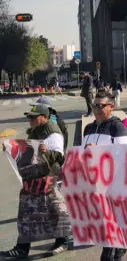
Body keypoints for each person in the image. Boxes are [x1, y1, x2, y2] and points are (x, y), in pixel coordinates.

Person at [0, 105, 72, 259]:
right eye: (29, 117)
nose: (30, 120)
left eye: (33, 117)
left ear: (44, 117)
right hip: (34, 178)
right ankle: (22, 247)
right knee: (27, 211)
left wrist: (47, 152)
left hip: (48, 179)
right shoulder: (36, 130)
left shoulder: (53, 133)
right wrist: (12, 148)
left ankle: (63, 240)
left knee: (56, 211)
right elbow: (29, 151)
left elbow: (59, 156)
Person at [81, 92, 127, 261]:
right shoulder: (88, 128)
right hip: (94, 184)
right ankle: (119, 248)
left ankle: (113, 253)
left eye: (101, 105)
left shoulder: (117, 127)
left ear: (111, 106)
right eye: (95, 105)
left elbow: (124, 155)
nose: (97, 109)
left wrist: (99, 150)